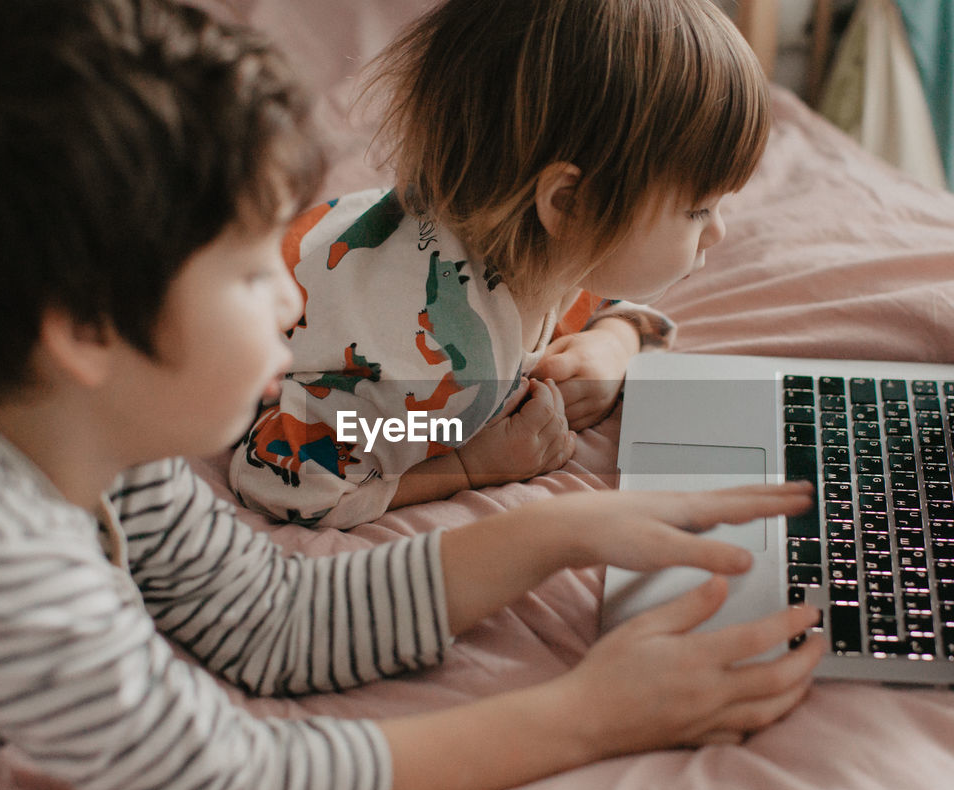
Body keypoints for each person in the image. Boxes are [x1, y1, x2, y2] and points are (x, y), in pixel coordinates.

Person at [0, 0, 821, 790]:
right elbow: (236, 787)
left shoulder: (77, 436)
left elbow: (270, 620)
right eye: (247, 273)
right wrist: (589, 715)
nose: (291, 302)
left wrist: (562, 531)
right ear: (84, 329)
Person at [229, 0, 771, 528]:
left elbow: (621, 305)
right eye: (699, 208)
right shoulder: (428, 378)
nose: (718, 231)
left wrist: (612, 346)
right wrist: (471, 466)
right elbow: (284, 478)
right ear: (567, 204)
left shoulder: (538, 251)